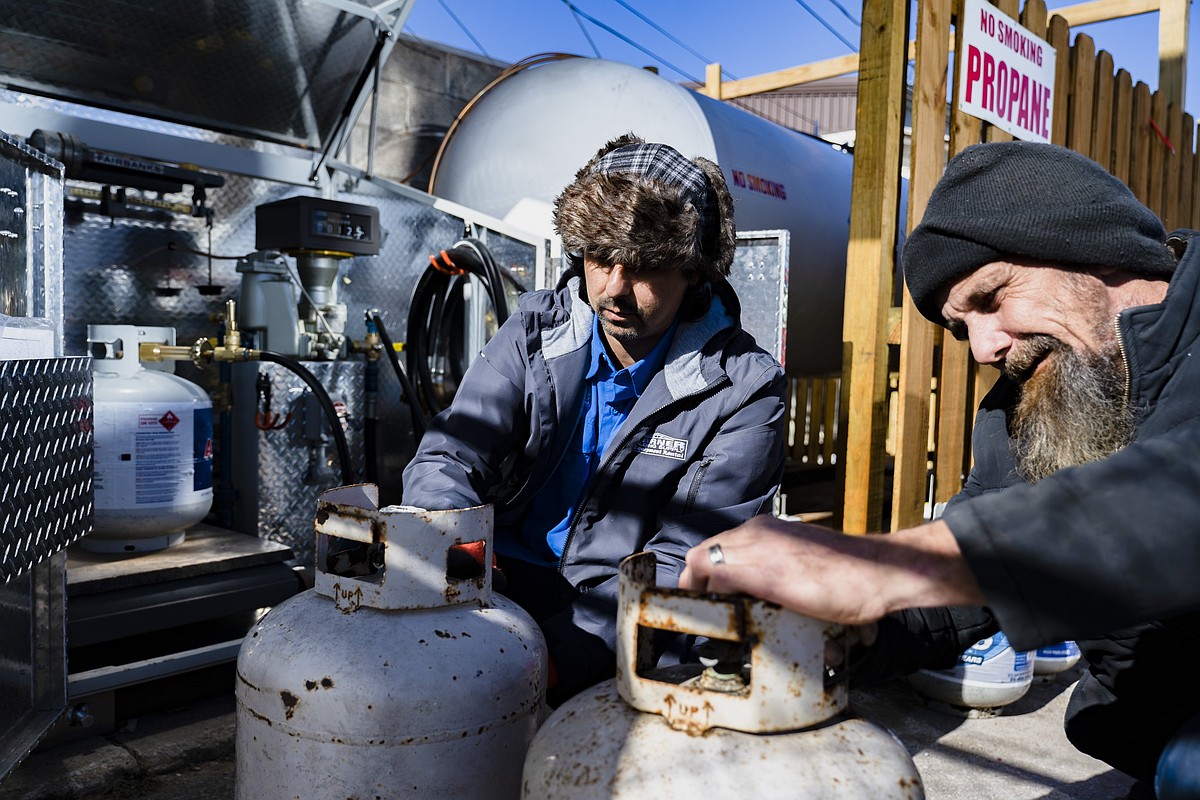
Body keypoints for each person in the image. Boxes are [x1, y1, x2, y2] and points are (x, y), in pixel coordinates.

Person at [680, 141, 1200, 798]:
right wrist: (858, 632)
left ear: (1089, 245)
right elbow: (977, 564)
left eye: (992, 297)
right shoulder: (1044, 392)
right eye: (962, 328)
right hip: (1145, 743)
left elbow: (1176, 496)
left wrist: (879, 568)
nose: (983, 348)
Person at [402, 133, 788, 702]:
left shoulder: (746, 388)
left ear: (696, 273)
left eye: (645, 266)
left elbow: (688, 559)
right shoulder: (535, 332)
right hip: (497, 580)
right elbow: (450, 453)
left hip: (620, 623)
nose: (614, 288)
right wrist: (459, 555)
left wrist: (556, 658)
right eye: (601, 257)